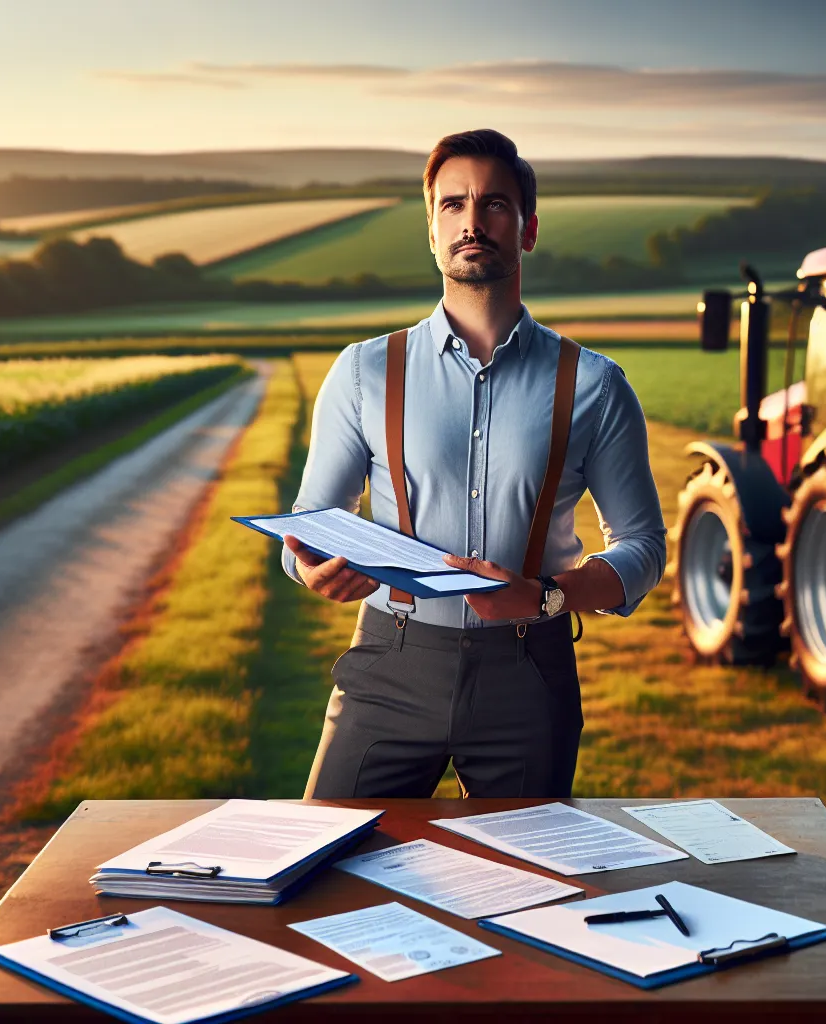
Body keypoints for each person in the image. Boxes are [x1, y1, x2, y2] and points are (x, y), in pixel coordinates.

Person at [280, 128, 666, 800]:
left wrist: (549, 596)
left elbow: (645, 547)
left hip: (530, 672)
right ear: (431, 231)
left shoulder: (595, 385)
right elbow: (309, 525)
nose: (471, 221)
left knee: (527, 890)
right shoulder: (365, 372)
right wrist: (306, 565)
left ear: (528, 228)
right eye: (452, 205)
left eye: (493, 205)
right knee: (327, 865)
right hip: (388, 664)